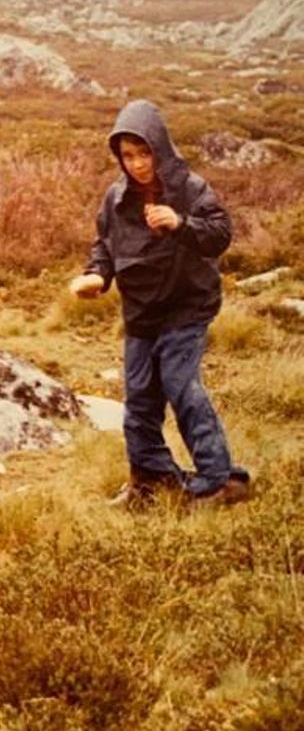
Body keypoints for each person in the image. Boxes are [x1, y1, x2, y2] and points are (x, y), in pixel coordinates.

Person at [70, 99, 250, 508]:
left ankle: (221, 481)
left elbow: (219, 234)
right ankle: (150, 479)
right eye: (127, 155)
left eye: (144, 152)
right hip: (141, 311)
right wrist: (97, 275)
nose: (137, 163)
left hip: (186, 305)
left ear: (160, 148)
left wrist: (180, 223)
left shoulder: (190, 188)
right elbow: (105, 245)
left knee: (180, 385)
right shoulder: (116, 198)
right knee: (138, 396)